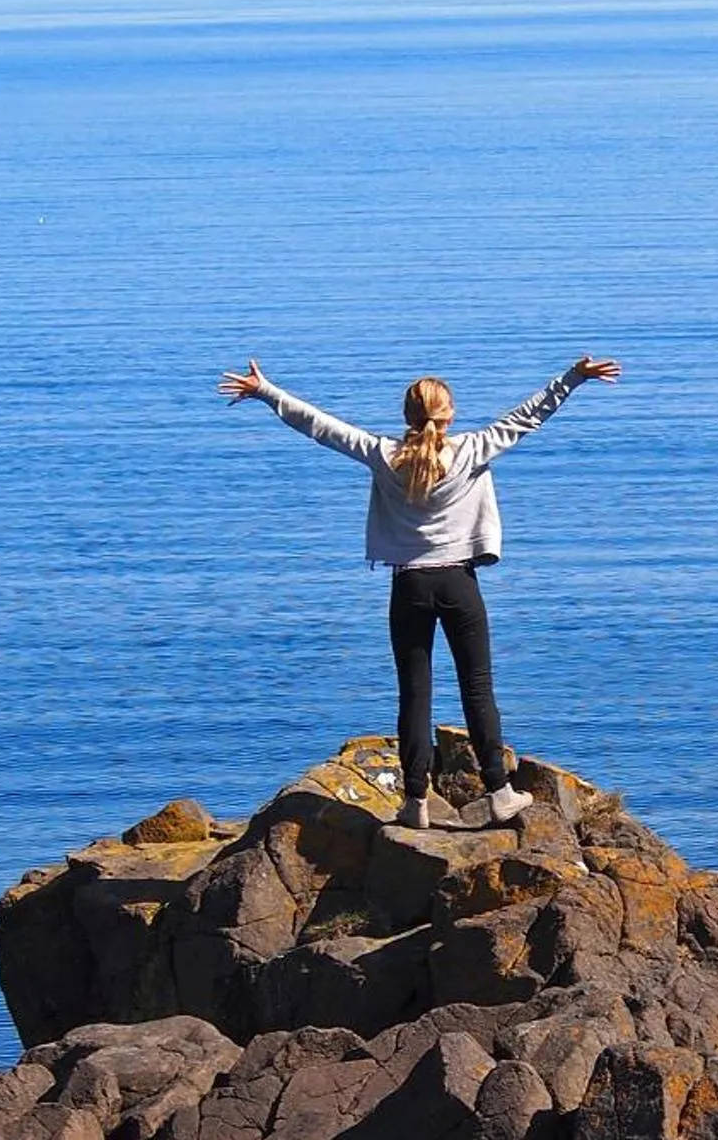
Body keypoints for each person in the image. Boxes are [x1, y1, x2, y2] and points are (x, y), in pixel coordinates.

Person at [218, 354, 621, 826]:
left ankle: (415, 803)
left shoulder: (382, 453)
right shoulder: (474, 448)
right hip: (458, 582)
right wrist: (573, 378)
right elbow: (529, 415)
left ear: (408, 416)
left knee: (414, 693)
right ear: (447, 414)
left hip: (408, 583)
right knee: (477, 688)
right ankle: (499, 792)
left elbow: (319, 426)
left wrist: (267, 392)